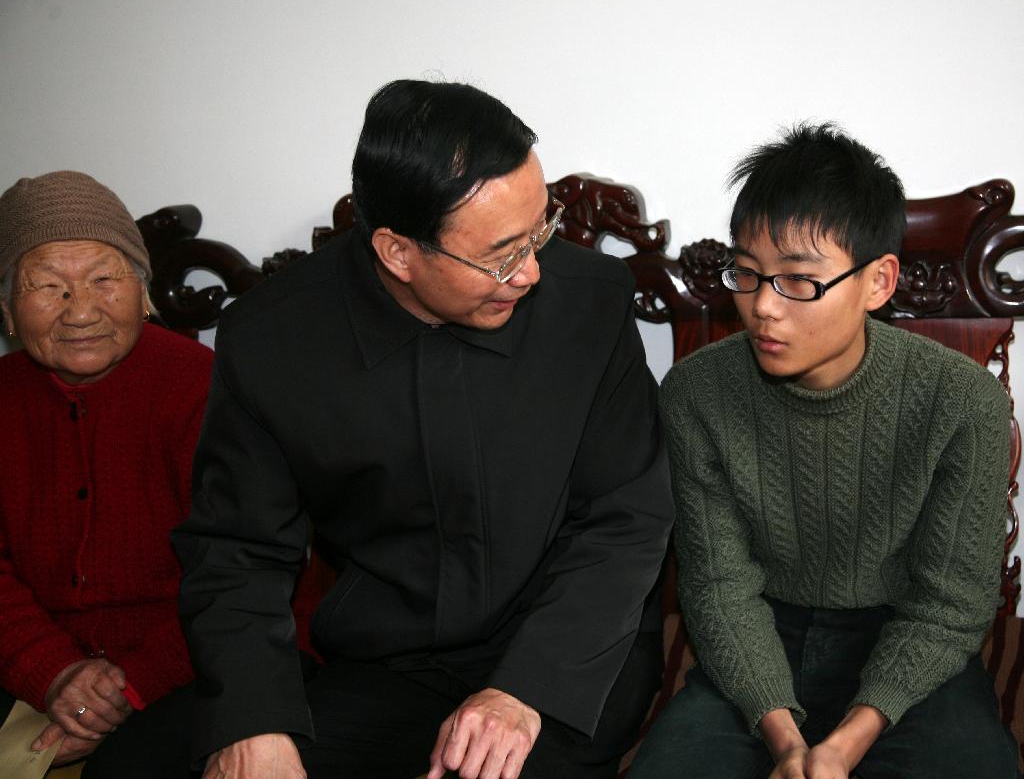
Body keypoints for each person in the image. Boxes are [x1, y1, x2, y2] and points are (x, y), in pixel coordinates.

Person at [171, 79, 673, 779]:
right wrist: (253, 717)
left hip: (568, 649)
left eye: (539, 231)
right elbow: (237, 547)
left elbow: (627, 516)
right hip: (390, 663)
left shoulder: (588, 302)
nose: (531, 273)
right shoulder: (272, 341)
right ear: (398, 253)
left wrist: (523, 690)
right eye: (501, 254)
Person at [629, 123, 1020, 779]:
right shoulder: (698, 392)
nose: (763, 307)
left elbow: (950, 604)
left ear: (879, 281)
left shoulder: (961, 401)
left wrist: (843, 746)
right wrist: (786, 742)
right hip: (756, 636)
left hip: (907, 640)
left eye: (798, 281)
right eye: (746, 274)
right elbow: (720, 586)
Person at [0, 170, 214, 776]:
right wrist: (52, 671)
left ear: (143, 291)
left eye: (103, 279)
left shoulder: (205, 390)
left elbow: (239, 574)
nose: (81, 312)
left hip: (192, 662)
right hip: (34, 659)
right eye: (48, 286)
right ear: (7, 307)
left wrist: (124, 688)